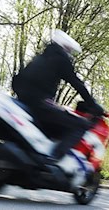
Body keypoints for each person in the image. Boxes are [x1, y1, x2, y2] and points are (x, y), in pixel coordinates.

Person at [12, 29, 103, 163]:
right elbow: (76, 83)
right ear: (64, 47)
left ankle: (35, 156)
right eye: (69, 50)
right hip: (39, 104)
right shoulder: (60, 58)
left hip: (24, 102)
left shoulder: (41, 57)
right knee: (80, 125)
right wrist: (92, 104)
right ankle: (53, 160)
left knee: (56, 120)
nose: (70, 54)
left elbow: (18, 80)